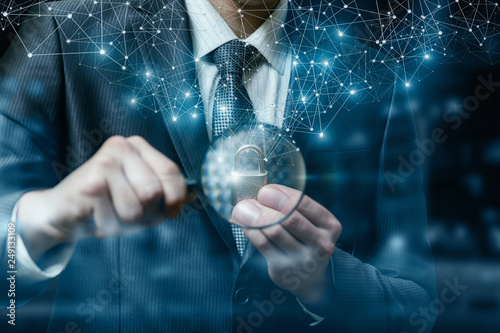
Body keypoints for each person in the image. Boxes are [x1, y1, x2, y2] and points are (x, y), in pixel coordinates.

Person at [0, 0, 437, 331]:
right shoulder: (68, 28)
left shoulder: (368, 67)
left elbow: (418, 304)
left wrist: (327, 282)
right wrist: (41, 223)